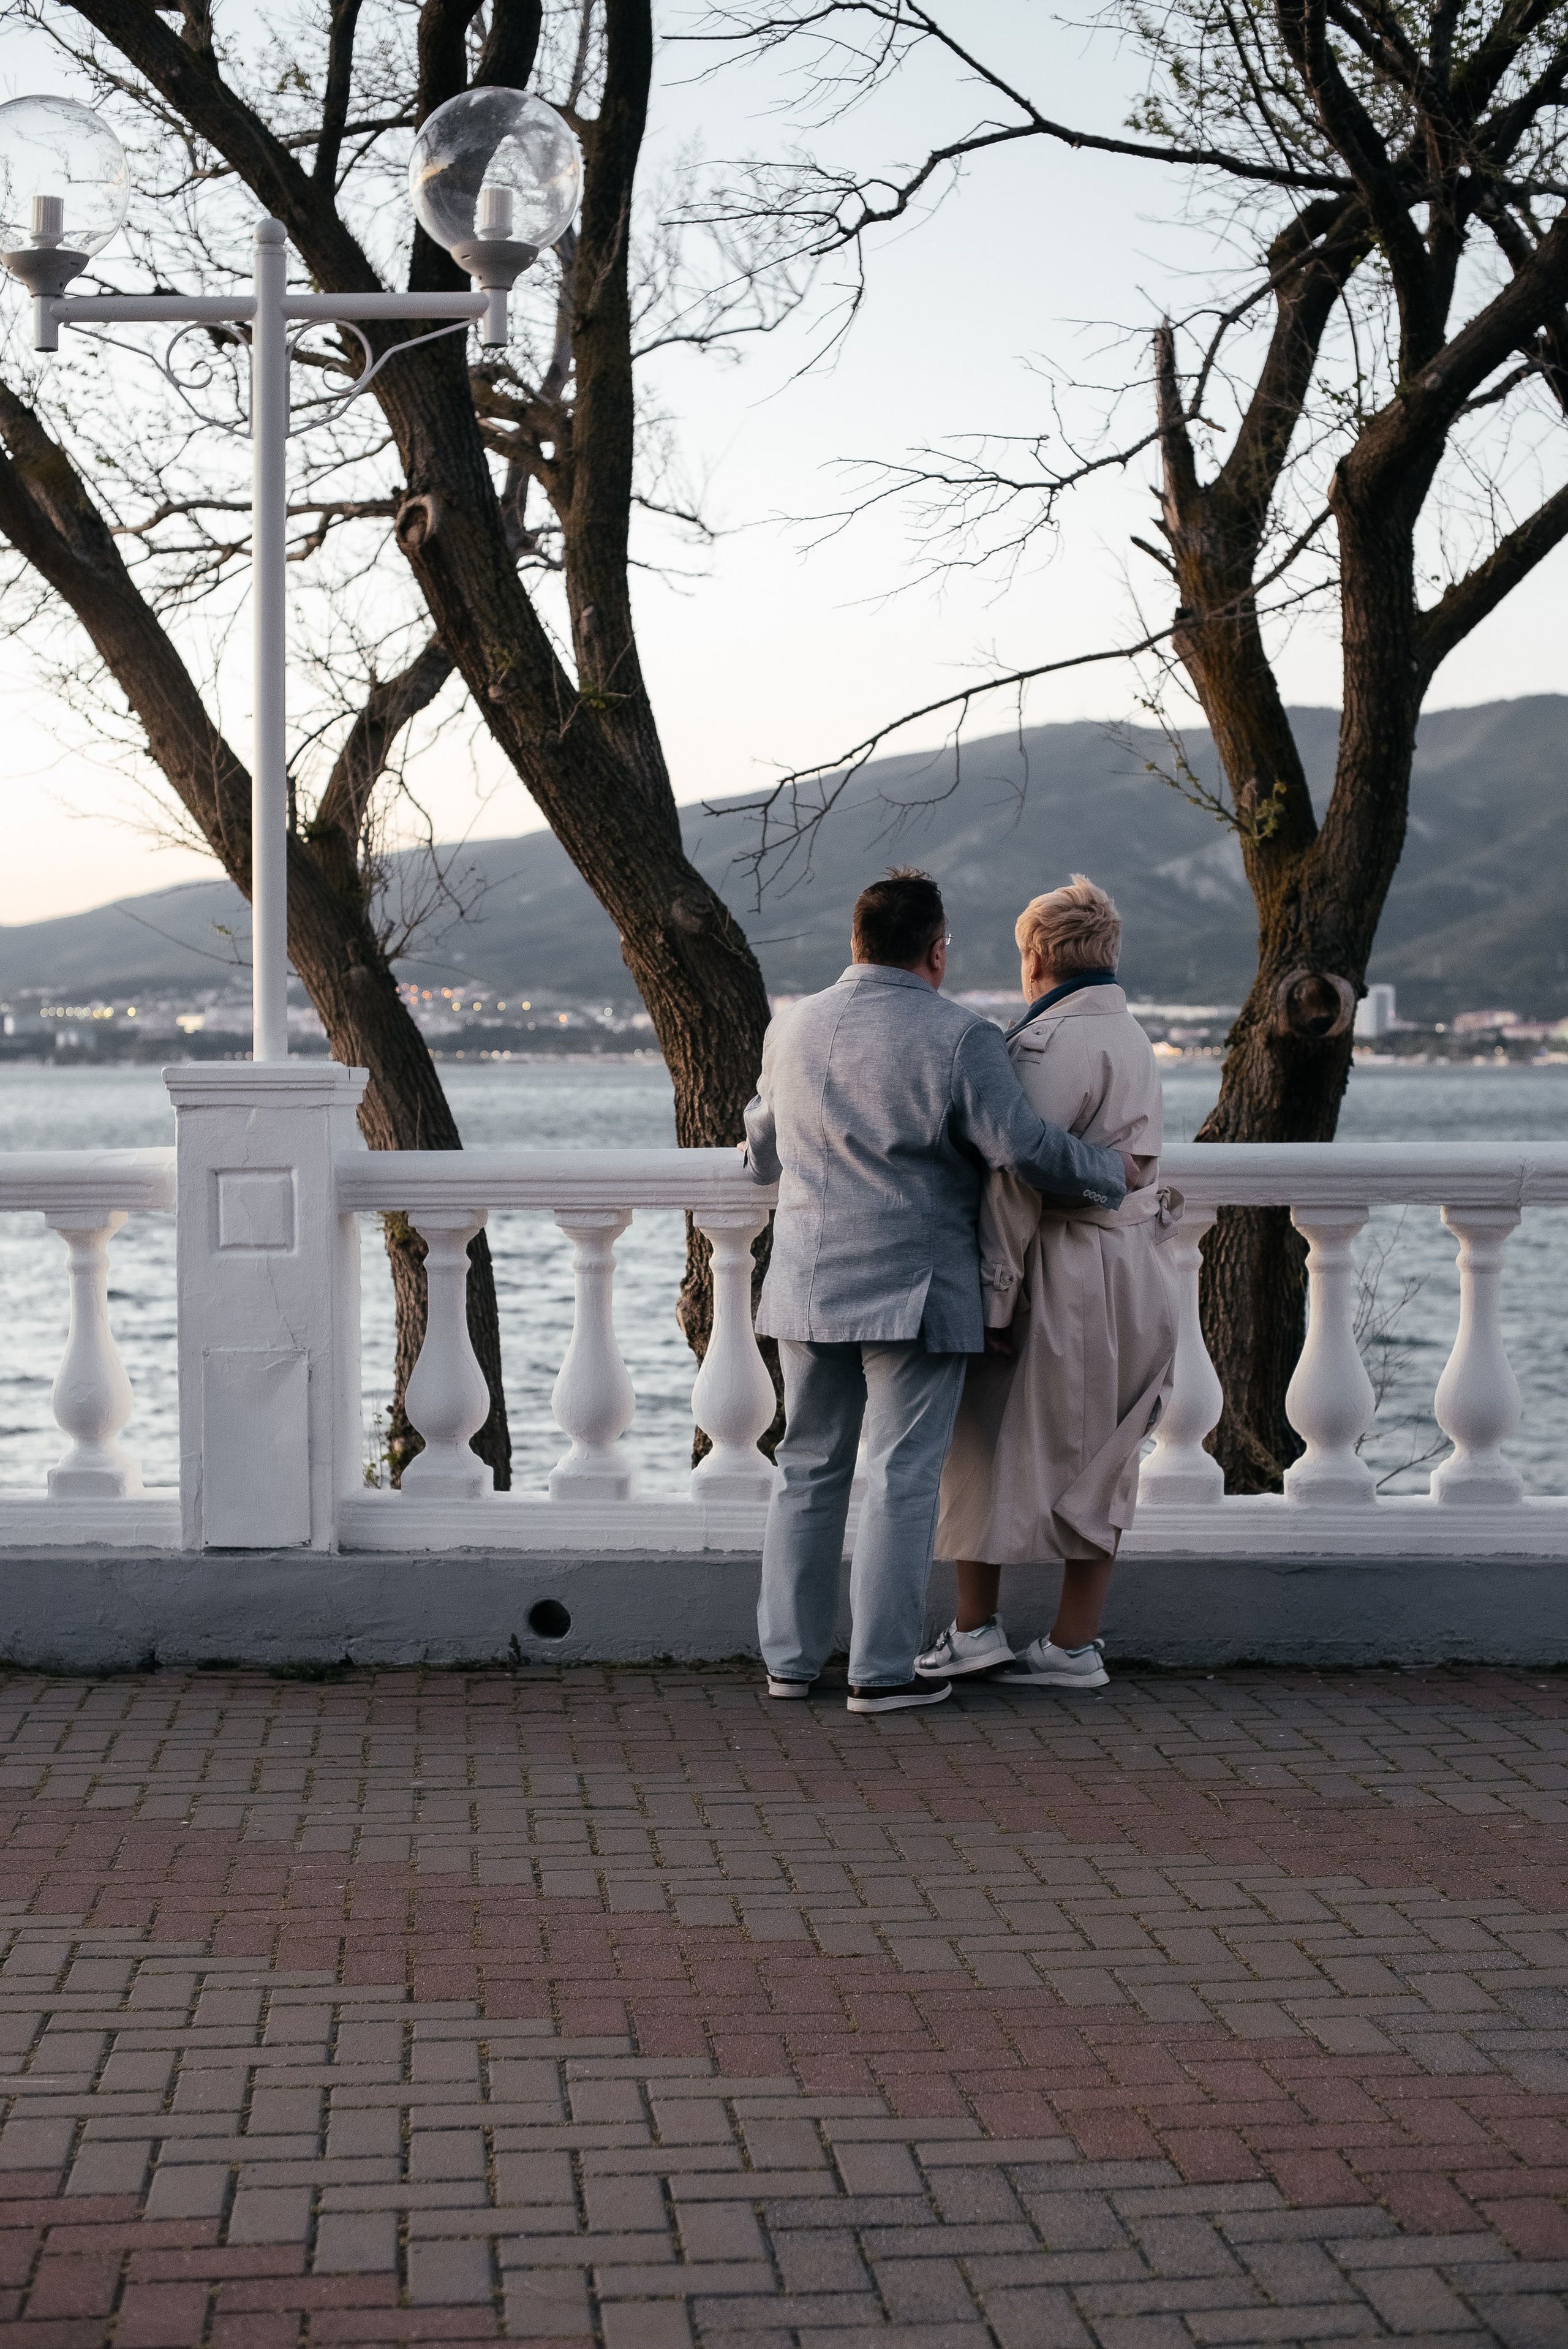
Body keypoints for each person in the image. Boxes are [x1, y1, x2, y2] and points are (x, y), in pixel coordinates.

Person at [741, 868, 1131, 1715]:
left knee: (806, 1469)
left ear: (855, 942)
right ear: (939, 950)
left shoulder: (792, 1028)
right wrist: (1111, 1171)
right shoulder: (962, 1036)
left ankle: (790, 1664)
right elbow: (1021, 1146)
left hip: (807, 1283)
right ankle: (879, 1675)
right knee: (900, 1478)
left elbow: (762, 1150)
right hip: (915, 1294)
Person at [919, 874, 1178, 1692]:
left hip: (1058, 1266)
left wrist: (992, 1300)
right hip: (1135, 1267)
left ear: (1036, 956)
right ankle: (1074, 1643)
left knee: (976, 1440)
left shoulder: (1043, 1046)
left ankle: (973, 1629)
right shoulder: (1132, 1035)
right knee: (1106, 1454)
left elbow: (1013, 1178)